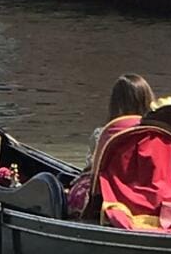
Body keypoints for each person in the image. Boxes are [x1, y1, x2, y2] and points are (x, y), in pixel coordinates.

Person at [65, 73, 155, 215]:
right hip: (144, 196)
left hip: (106, 198)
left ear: (115, 103)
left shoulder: (102, 134)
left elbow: (93, 173)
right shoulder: (156, 132)